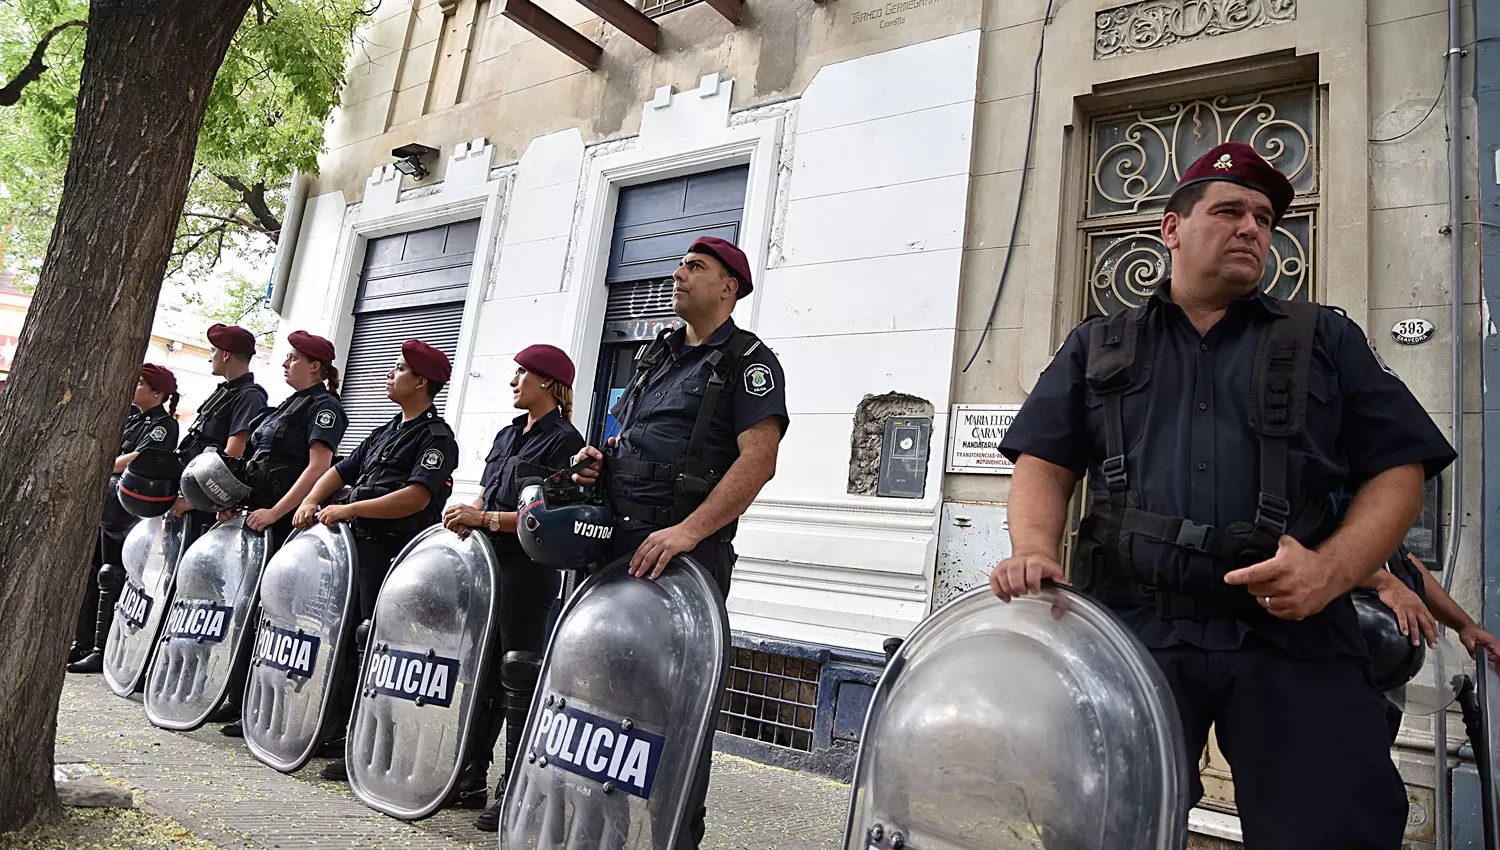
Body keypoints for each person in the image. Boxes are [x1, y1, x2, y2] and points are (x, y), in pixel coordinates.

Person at [989, 142, 1456, 849]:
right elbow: (1044, 463)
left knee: (1334, 830)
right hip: (1134, 632)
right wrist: (1032, 548)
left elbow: (1400, 470)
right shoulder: (1100, 345)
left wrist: (1330, 572)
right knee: (1105, 829)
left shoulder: (1324, 339)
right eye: (1230, 210)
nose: (1252, 229)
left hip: (1295, 637)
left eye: (1265, 219)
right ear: (1172, 229)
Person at [572, 236, 787, 849]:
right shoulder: (654, 355)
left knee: (671, 714)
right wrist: (600, 463)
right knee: (601, 704)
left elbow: (759, 460)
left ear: (729, 287)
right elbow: (628, 440)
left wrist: (690, 531)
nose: (678, 274)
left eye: (696, 267)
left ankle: (669, 839)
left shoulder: (750, 360)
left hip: (682, 560)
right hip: (617, 549)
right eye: (679, 265)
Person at [292, 339, 459, 782]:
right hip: (354, 549)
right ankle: (335, 734)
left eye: (400, 369)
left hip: (391, 553)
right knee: (347, 640)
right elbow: (343, 470)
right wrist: (311, 499)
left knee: (378, 647)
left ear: (421, 381)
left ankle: (369, 744)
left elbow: (414, 498)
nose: (389, 373)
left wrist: (349, 509)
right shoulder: (387, 430)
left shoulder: (436, 438)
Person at [442, 344, 585, 824]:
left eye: (522, 373)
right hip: (489, 564)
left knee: (518, 675)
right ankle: (469, 778)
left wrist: (483, 517)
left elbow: (546, 515)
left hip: (529, 568)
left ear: (548, 382)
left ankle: (516, 787)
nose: (513, 381)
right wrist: (469, 515)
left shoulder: (565, 440)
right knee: (483, 671)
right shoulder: (507, 435)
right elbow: (487, 491)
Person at [213, 331, 348, 736]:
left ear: (315, 367)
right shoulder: (286, 404)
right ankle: (240, 699)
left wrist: (276, 512)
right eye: (287, 357)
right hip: (256, 517)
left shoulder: (324, 407)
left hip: (281, 525)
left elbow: (318, 468)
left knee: (277, 617)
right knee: (248, 611)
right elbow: (256, 461)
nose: (286, 363)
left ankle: (265, 707)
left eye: (293, 358)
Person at [68, 363, 182, 673]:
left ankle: (101, 648)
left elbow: (139, 459)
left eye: (142, 383)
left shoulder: (163, 425)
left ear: (157, 392)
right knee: (92, 571)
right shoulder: (131, 418)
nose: (135, 386)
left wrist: (103, 464)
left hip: (129, 512)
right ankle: (81, 641)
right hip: (106, 506)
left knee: (113, 574)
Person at [171, 323, 268, 518]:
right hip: (192, 493)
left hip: (206, 502)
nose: (210, 357)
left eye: (213, 351)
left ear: (226, 355)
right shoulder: (227, 392)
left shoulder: (249, 396)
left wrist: (193, 501)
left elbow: (234, 454)